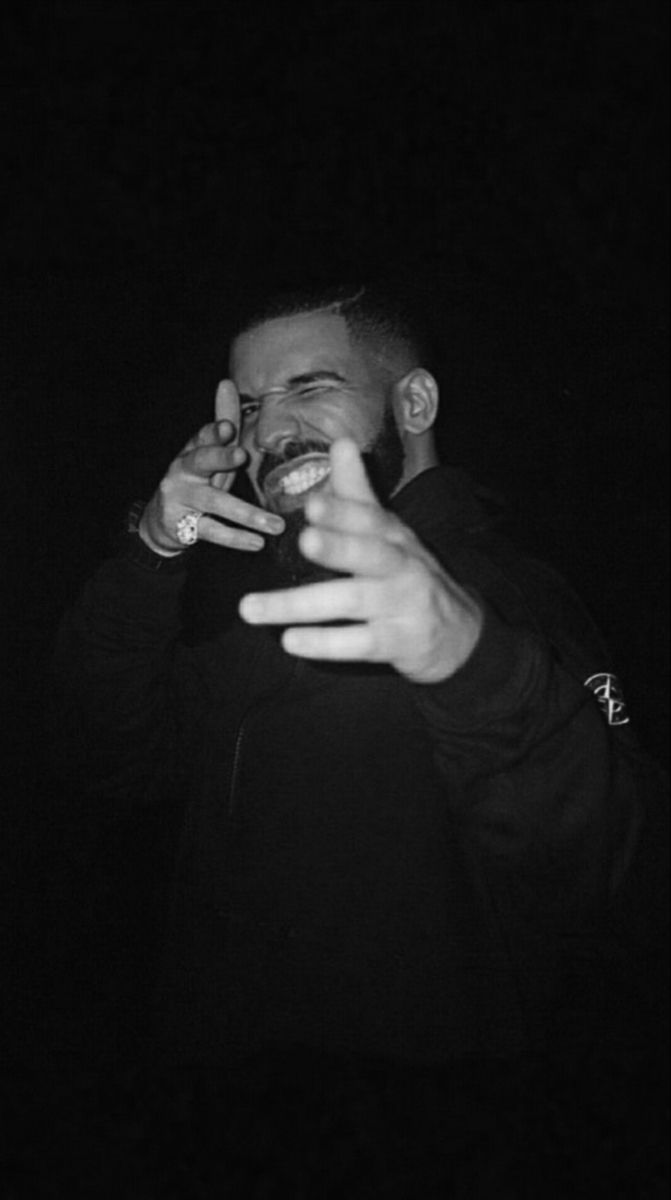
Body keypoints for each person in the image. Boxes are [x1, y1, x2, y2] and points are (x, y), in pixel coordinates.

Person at [51, 283, 644, 1077]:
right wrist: (156, 550)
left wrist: (471, 662)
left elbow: (622, 874)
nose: (269, 431)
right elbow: (110, 758)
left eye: (311, 388)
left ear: (415, 402)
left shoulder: (511, 596)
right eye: (253, 404)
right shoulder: (269, 615)